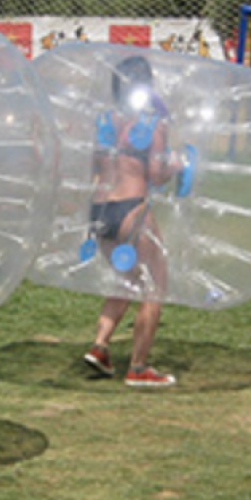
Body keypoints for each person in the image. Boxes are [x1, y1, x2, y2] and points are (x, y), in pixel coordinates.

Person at [81, 53, 179, 388]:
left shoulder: (104, 121)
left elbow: (95, 167)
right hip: (132, 207)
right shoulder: (152, 124)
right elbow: (155, 173)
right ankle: (138, 367)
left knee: (126, 279)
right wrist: (176, 166)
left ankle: (100, 345)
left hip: (100, 210)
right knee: (154, 286)